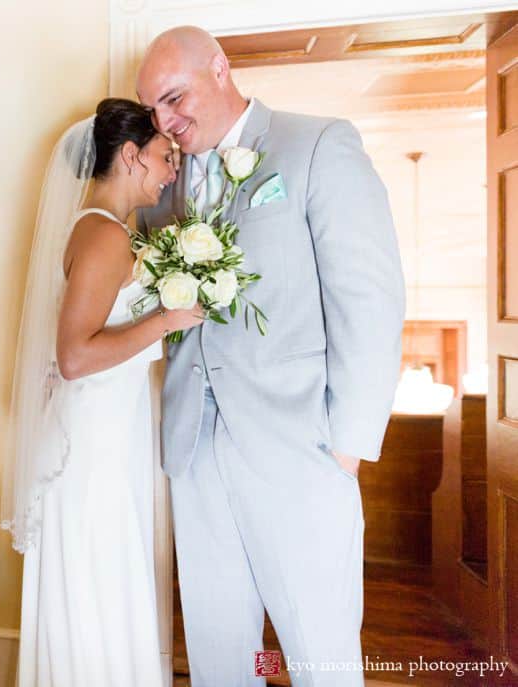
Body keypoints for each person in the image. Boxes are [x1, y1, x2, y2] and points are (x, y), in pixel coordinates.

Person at [136, 26, 405, 686]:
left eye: (174, 98)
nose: (165, 123)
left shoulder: (317, 145)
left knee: (320, 653)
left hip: (299, 449)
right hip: (194, 451)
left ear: (220, 69)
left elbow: (369, 298)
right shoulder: (163, 185)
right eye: (153, 111)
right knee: (220, 653)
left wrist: (346, 447)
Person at [1, 97, 202, 687]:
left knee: (107, 580)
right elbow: (75, 356)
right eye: (166, 157)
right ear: (131, 156)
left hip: (110, 435)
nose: (171, 172)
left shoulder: (112, 232)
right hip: (91, 449)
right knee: (97, 583)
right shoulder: (104, 236)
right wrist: (167, 319)